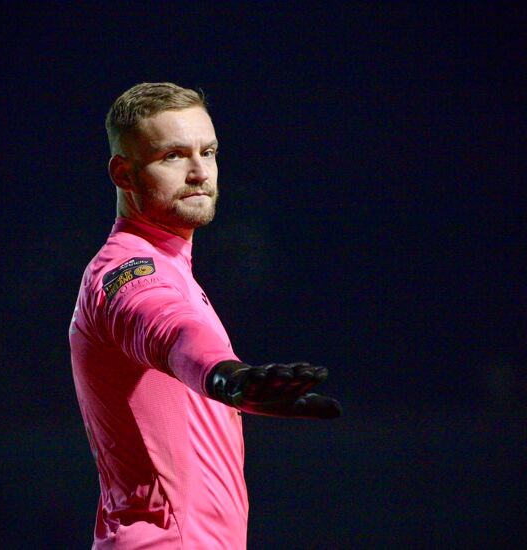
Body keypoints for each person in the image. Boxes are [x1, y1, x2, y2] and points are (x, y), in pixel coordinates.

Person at [69, 82, 341, 550]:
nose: (199, 172)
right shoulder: (129, 272)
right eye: (173, 156)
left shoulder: (172, 266)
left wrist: (241, 394)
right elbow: (167, 327)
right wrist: (226, 378)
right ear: (123, 173)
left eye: (208, 152)